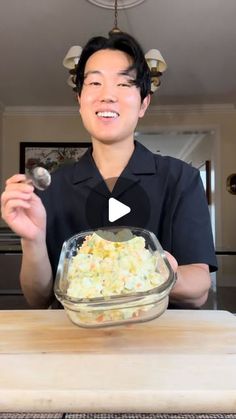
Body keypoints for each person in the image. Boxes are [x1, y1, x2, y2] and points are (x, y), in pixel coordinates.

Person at [0, 32, 217, 309]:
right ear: (79, 100)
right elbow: (38, 297)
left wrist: (158, 272)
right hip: (74, 346)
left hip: (159, 344)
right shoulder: (51, 187)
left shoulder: (181, 180)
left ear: (144, 103)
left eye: (124, 83)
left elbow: (199, 288)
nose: (108, 95)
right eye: (94, 82)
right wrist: (32, 240)